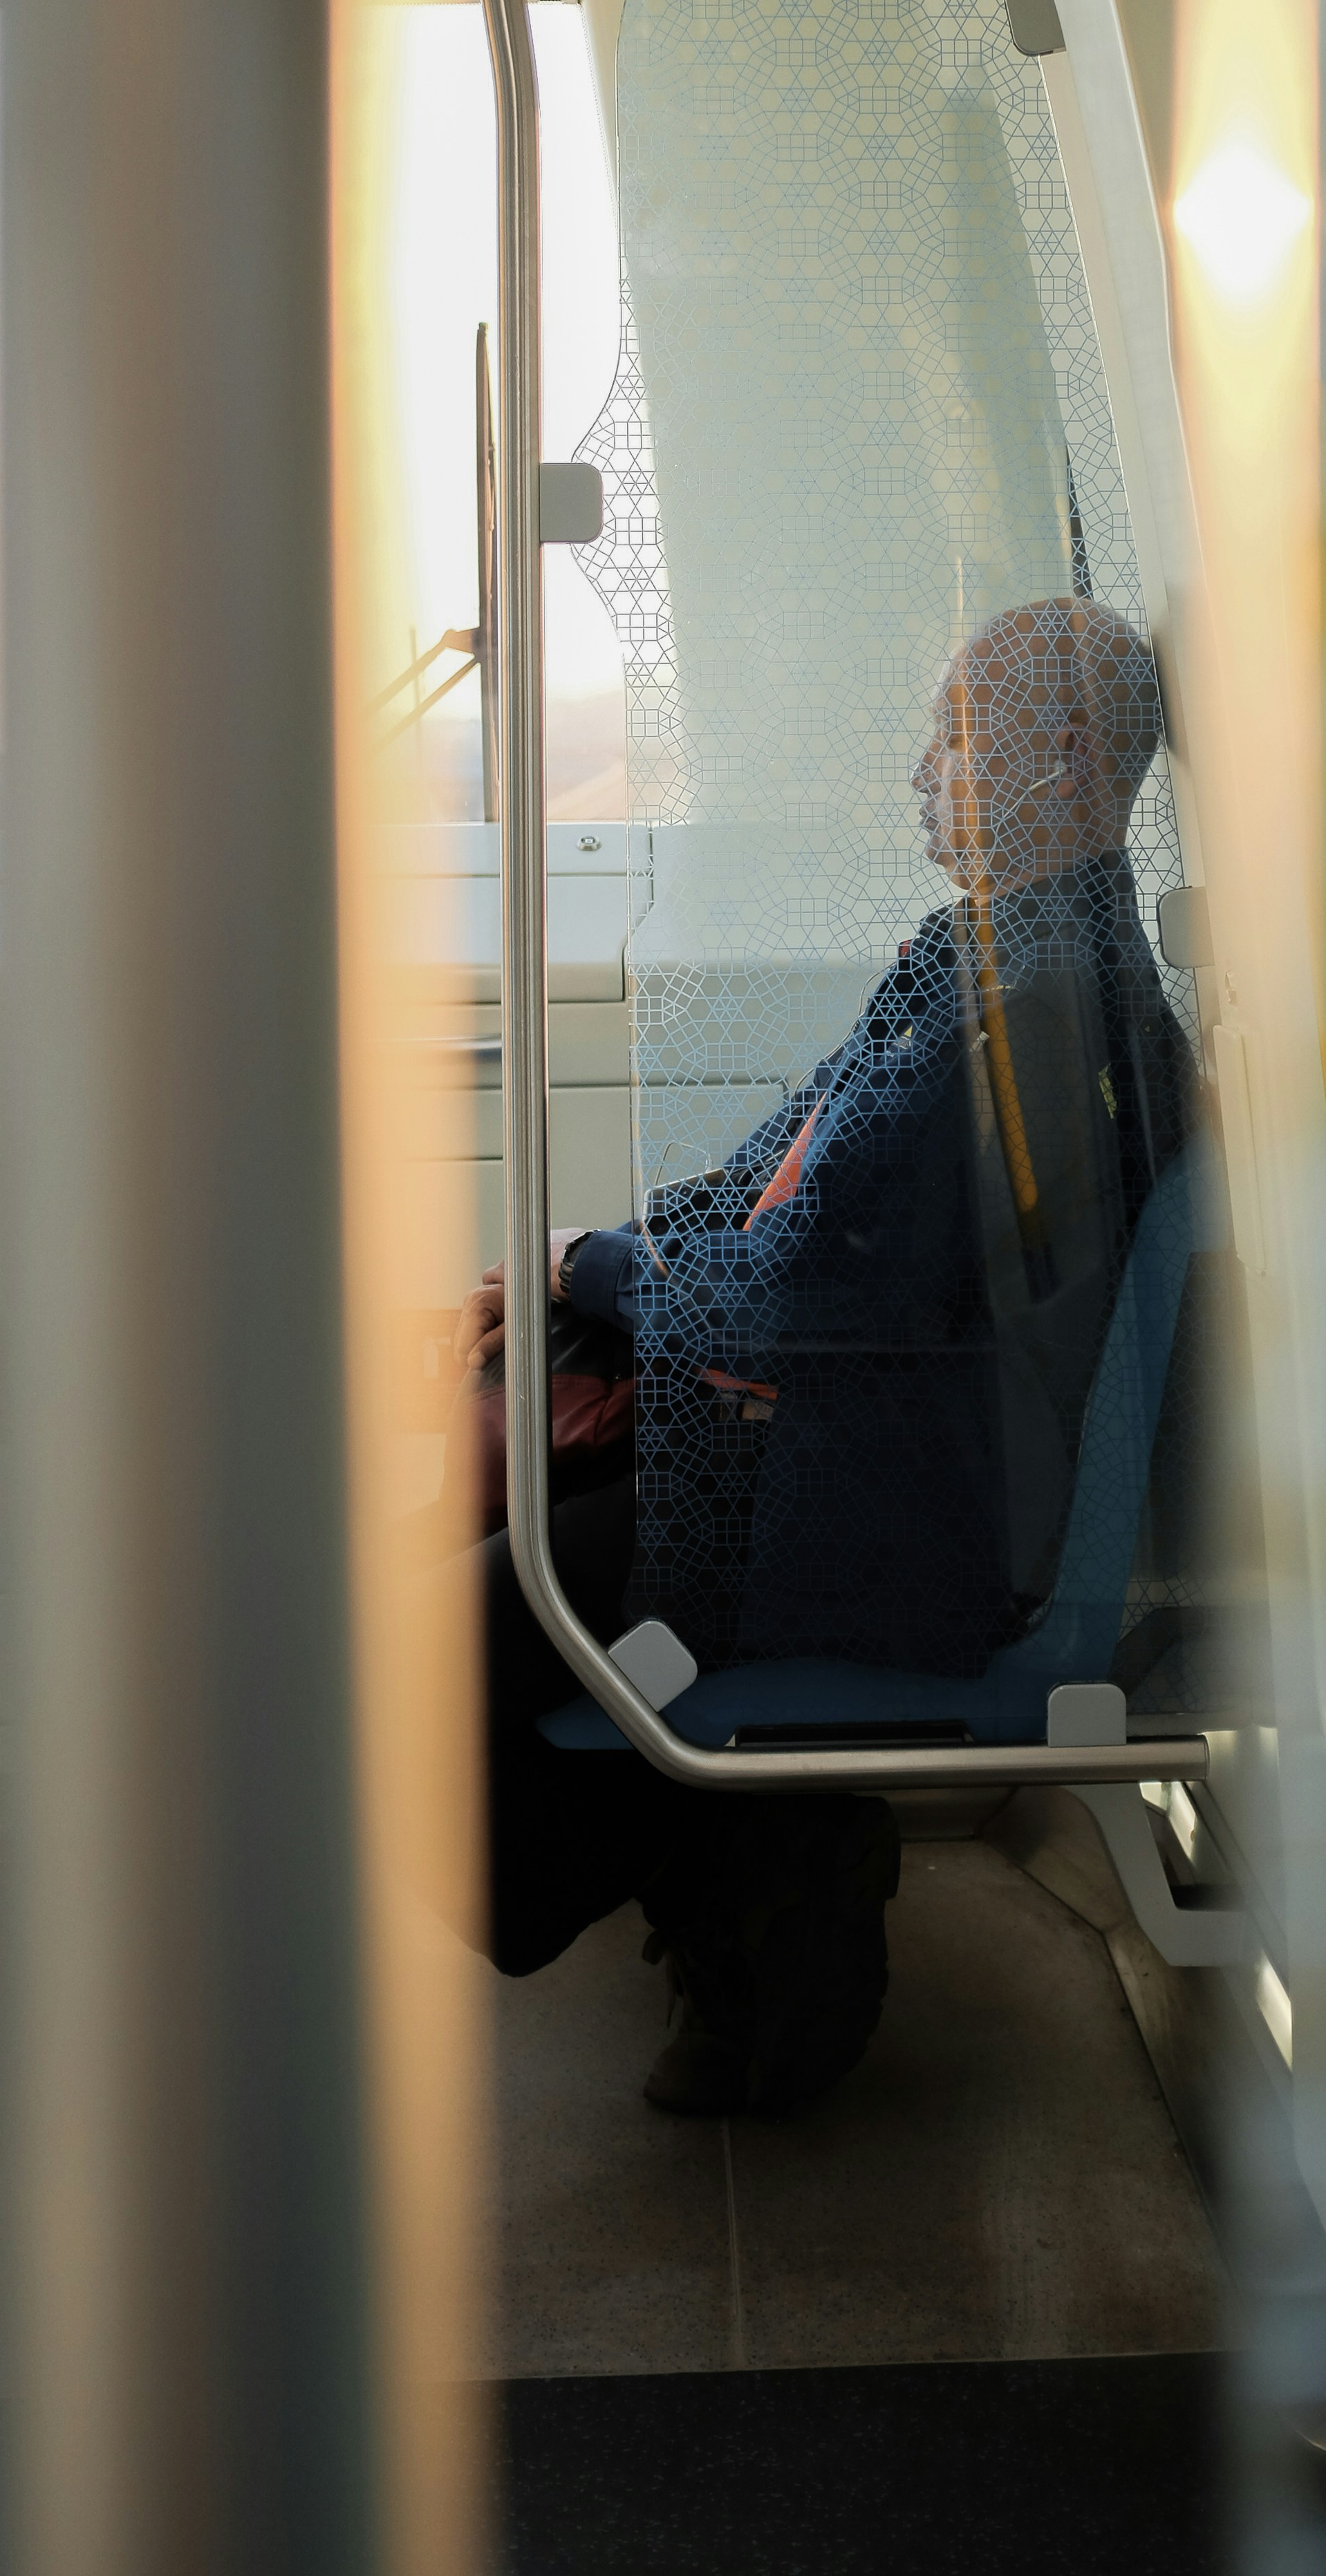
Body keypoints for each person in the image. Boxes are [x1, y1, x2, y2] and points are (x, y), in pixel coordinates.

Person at [456, 596, 1196, 2116]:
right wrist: (590, 1270)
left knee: (447, 1639)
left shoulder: (1038, 1015)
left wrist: (599, 1277)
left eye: (956, 733)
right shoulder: (979, 955)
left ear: (1059, 759)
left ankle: (746, 1864)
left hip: (881, 1500)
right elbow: (770, 1184)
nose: (921, 767)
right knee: (478, 1516)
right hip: (845, 1442)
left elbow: (795, 1301)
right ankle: (751, 1877)